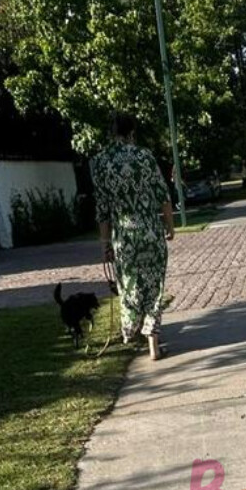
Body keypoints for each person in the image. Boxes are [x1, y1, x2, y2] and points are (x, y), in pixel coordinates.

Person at [90, 112, 175, 361]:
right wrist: (169, 226)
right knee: (154, 287)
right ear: (132, 132)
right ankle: (153, 345)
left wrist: (105, 243)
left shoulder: (102, 162)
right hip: (149, 233)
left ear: (111, 132)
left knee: (130, 286)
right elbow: (163, 195)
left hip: (124, 238)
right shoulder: (144, 156)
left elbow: (102, 209)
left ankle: (132, 329)